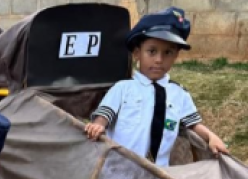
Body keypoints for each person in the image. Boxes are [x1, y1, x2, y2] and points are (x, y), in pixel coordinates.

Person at [85, 7, 228, 166]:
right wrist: (98, 126)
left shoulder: (179, 94)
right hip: (119, 171)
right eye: (152, 51)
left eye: (168, 52)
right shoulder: (123, 88)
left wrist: (211, 137)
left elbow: (193, 124)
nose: (159, 59)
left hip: (158, 176)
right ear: (137, 53)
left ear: (176, 56)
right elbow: (106, 113)